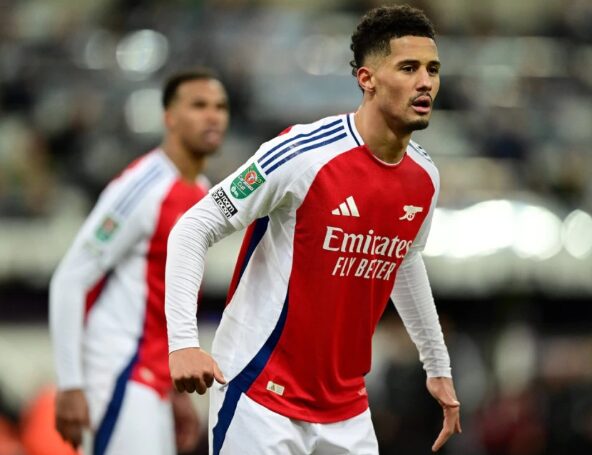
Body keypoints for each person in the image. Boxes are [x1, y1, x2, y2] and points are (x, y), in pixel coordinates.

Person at [165, 5, 461, 454]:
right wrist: (183, 342)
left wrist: (437, 365)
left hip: (346, 409)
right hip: (259, 394)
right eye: (409, 68)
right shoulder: (302, 153)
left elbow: (404, 259)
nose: (425, 82)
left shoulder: (425, 177)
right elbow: (193, 226)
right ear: (367, 79)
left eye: (432, 70)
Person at [49, 68, 229, 454]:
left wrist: (174, 387)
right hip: (119, 369)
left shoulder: (202, 192)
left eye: (220, 107)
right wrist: (69, 384)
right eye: (199, 105)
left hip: (153, 376)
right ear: (170, 117)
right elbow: (70, 279)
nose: (213, 116)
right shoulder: (142, 187)